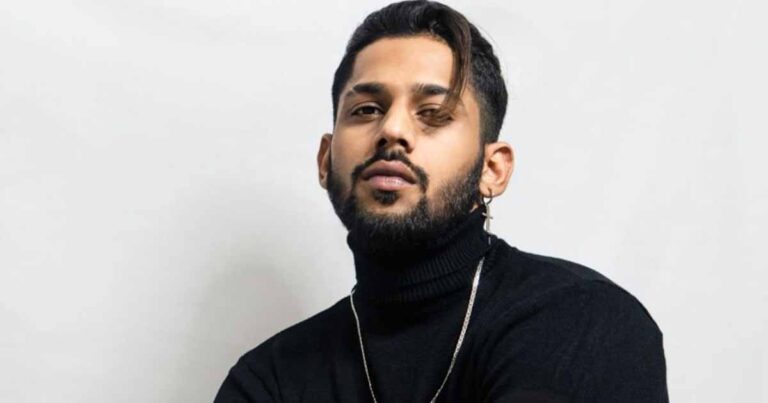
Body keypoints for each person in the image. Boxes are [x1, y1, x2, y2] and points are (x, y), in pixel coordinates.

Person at [214, 1, 668, 401]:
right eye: (366, 110)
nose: (392, 130)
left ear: (492, 169)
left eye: (434, 113)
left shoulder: (578, 318)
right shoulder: (268, 380)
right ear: (325, 159)